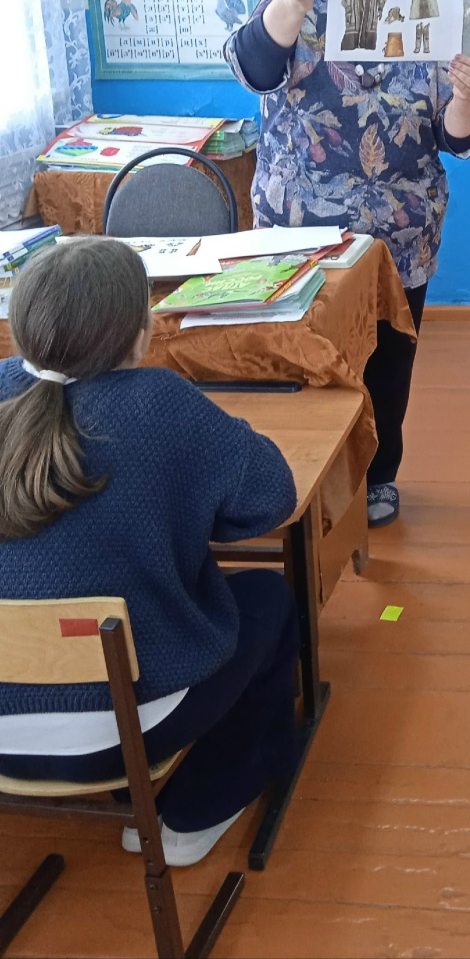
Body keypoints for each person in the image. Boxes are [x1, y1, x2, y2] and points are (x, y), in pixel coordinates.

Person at [0, 239, 299, 867]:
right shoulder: (161, 400)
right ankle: (193, 813)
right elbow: (271, 499)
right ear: (142, 332)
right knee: (267, 596)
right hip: (128, 730)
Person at [225, 0, 470, 529]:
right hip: (302, 237)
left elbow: (456, 139)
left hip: (400, 235)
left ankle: (377, 475)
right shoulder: (293, 9)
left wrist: (468, 96)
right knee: (302, 358)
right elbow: (253, 66)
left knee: (389, 364)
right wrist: (291, 1)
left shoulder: (423, 14)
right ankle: (296, 475)